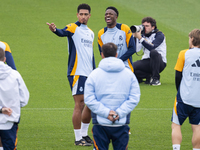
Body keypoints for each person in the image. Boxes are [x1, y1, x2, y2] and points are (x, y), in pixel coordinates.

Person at [46, 3, 95, 146]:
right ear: (77, 15)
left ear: (89, 16)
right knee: (79, 104)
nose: (83, 16)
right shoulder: (73, 28)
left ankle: (85, 135)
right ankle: (78, 138)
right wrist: (54, 29)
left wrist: (95, 72)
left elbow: (90, 55)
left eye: (86, 14)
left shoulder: (91, 33)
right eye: (81, 14)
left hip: (89, 73)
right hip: (77, 73)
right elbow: (62, 32)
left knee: (90, 104)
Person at [84, 42, 140, 150]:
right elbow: (134, 97)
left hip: (100, 124)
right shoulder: (129, 74)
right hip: (121, 123)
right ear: (116, 54)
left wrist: (106, 113)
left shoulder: (94, 74)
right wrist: (119, 113)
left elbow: (89, 99)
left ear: (102, 54)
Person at [171, 29, 200, 150]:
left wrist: (179, 91)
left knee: (176, 125)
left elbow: (178, 75)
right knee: (197, 127)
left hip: (184, 97)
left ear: (192, 39)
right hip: (198, 99)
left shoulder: (184, 53)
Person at [0, 47, 29, 150]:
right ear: (5, 59)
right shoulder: (15, 74)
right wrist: (14, 104)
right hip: (10, 119)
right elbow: (24, 99)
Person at [98, 6, 136, 72]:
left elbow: (132, 48)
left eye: (111, 14)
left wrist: (118, 61)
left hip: (125, 67)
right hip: (109, 67)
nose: (108, 15)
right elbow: (102, 52)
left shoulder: (124, 28)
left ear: (116, 17)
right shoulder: (101, 33)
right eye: (106, 14)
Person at [132, 17, 167, 86]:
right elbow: (136, 49)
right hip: (147, 61)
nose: (145, 28)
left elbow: (152, 47)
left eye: (147, 26)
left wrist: (140, 38)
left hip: (159, 62)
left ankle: (155, 79)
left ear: (153, 27)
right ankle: (149, 76)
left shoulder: (159, 35)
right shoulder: (142, 36)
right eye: (143, 26)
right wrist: (135, 37)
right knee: (131, 68)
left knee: (153, 52)